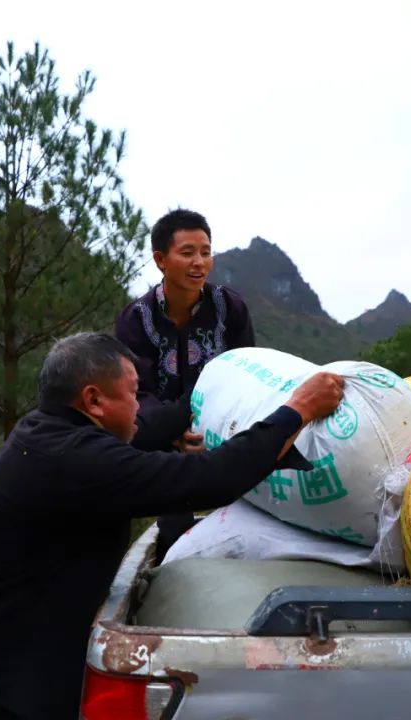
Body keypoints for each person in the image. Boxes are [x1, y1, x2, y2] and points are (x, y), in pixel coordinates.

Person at [0, 332, 343, 719]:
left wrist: (212, 394)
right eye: (132, 391)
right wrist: (296, 409)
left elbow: (143, 425)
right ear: (93, 400)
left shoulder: (46, 433)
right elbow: (211, 479)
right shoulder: (75, 462)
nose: (137, 403)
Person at [115, 209, 256, 558]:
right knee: (175, 535)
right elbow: (138, 393)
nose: (200, 263)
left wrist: (219, 430)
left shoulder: (229, 308)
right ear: (161, 260)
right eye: (188, 252)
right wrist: (173, 432)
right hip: (166, 442)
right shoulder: (137, 320)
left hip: (226, 432)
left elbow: (248, 371)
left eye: (206, 252)